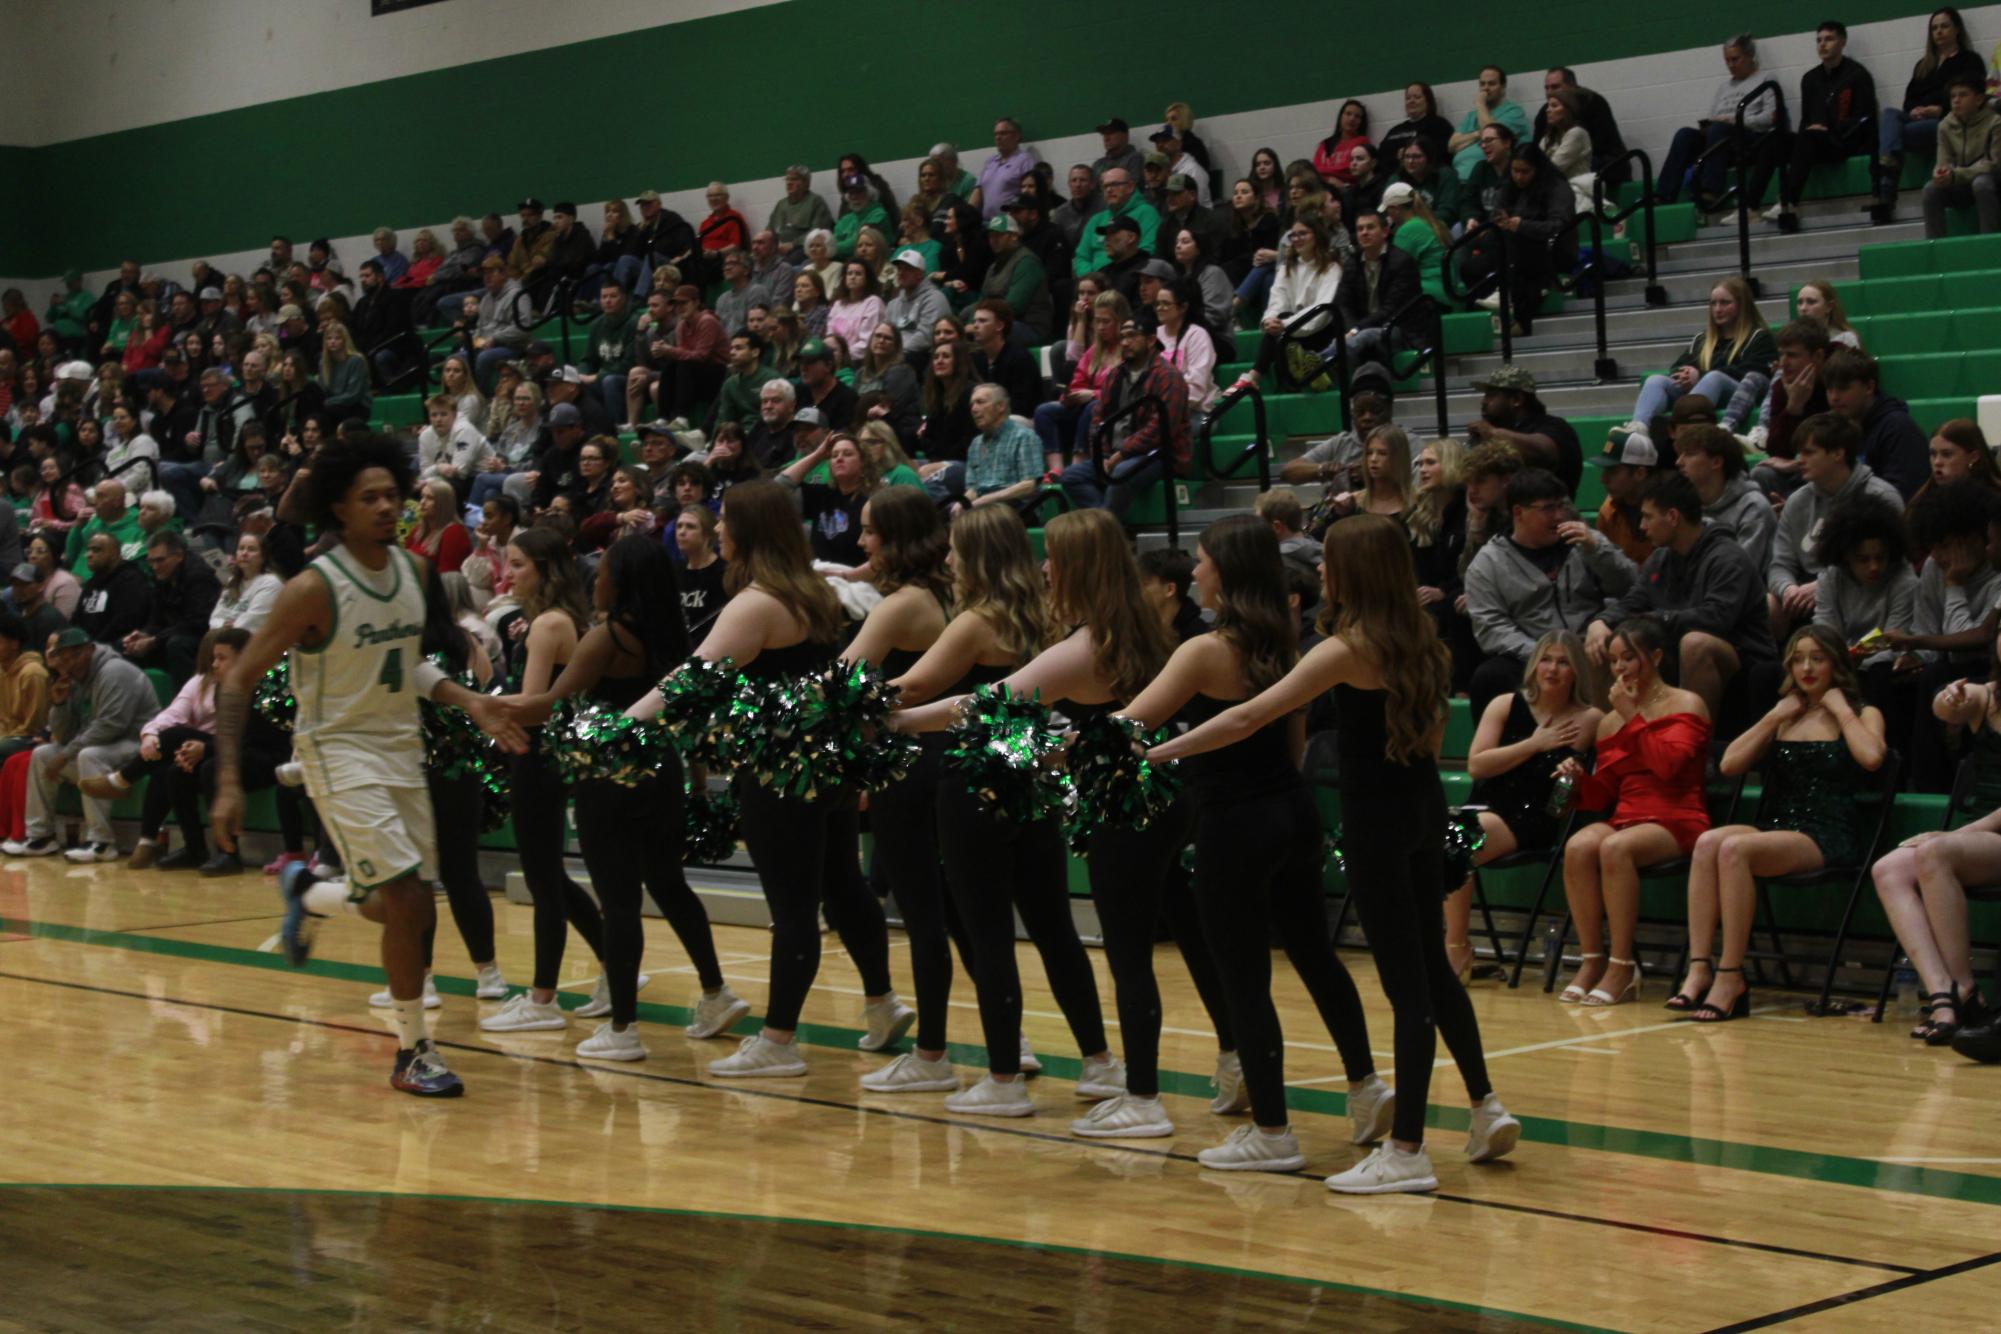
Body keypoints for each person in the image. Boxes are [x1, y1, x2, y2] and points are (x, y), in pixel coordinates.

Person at [1153, 514, 1518, 1188]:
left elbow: (1246, 717)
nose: (1319, 570)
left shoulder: (1344, 647)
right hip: (1422, 807)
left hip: (1376, 822)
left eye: (1330, 562)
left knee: (1405, 987)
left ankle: (1406, 1152)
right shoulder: (1422, 639)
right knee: (1430, 972)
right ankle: (1482, 1105)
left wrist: (1157, 749)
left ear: (1355, 572)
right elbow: (1427, 741)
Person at [209, 433, 515, 1096]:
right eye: (368, 497)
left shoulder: (413, 573)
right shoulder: (314, 588)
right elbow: (237, 683)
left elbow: (405, 662)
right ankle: (413, 1052)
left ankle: (309, 892)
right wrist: (229, 781)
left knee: (407, 906)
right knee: (406, 897)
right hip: (336, 749)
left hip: (400, 748)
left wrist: (471, 703)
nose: (385, 506)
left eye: (391, 495)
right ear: (338, 510)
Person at [626, 481, 909, 1076]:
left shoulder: (756, 603)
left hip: (780, 770)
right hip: (824, 763)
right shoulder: (814, 593)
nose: (719, 529)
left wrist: (619, 727)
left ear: (751, 530)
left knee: (794, 905)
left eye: (727, 520)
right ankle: (882, 1003)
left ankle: (778, 1042)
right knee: (842, 885)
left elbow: (690, 680)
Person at [502, 538, 742, 1059]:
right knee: (670, 885)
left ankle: (623, 1030)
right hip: (662, 771)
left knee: (620, 904)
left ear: (623, 579)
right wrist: (698, 783)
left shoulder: (606, 638)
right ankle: (716, 991)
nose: (595, 579)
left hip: (609, 776)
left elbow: (547, 705)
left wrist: (482, 707)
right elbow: (684, 712)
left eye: (604, 569)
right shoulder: (672, 636)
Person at [1674, 625, 1888, 1021]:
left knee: (1736, 849)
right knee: (1708, 843)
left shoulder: (1861, 713)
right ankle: (1699, 967)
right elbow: (1729, 764)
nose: (1806, 667)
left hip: (1826, 831)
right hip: (1777, 824)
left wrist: (1840, 710)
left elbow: (1872, 758)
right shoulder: (1787, 713)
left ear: (1836, 663)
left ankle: (1731, 976)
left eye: (1817, 658)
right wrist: (1773, 717)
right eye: (1798, 658)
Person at [1554, 616, 1711, 1008]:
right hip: (1627, 815)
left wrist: (1632, 717)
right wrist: (1576, 782)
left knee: (1615, 848)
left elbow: (1669, 767)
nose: (1620, 668)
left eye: (1629, 658)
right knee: (1578, 846)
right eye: (1613, 661)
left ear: (1655, 656)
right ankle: (1592, 959)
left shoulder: (1687, 702)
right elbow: (1603, 795)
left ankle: (1623, 965)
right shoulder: (1609, 722)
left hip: (1677, 815)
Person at [1873, 642, 2001, 1046]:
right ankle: (1943, 996)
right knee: (1888, 869)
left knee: (1934, 852)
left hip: (1984, 832)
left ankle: (1966, 992)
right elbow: (1950, 708)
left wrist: (1955, 835)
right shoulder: (1990, 694)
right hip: (1983, 836)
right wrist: (1947, 701)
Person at [1454, 632, 1603, 978]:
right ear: (1534, 665)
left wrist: (1574, 777)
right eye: (1546, 660)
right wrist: (1535, 744)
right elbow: (1477, 765)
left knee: (1452, 842)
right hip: (1486, 804)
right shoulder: (1505, 704)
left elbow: (1568, 798)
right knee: (1440, 837)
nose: (1552, 669)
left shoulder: (1590, 718)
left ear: (1577, 671)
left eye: (1563, 662)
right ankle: (1453, 948)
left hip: (1536, 815)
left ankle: (1455, 951)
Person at [1591, 472, 1776, 722]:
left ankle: (1693, 745)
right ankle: (1610, 745)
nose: (1642, 527)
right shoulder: (1660, 558)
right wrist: (1601, 622)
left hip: (1742, 658)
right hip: (1672, 651)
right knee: (1603, 643)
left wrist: (1658, 619)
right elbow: (1632, 602)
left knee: (1695, 643)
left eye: (1648, 517)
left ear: (1673, 517)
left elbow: (1717, 618)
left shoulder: (1728, 557)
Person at [85, 627, 264, 875]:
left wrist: (205, 748)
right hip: (212, 748)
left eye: (221, 658)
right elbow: (172, 714)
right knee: (175, 771)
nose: (214, 664)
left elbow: (248, 740)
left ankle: (228, 854)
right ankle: (192, 849)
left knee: (188, 748)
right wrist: (151, 735)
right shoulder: (209, 684)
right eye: (213, 657)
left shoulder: (259, 686)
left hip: (258, 753)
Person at [1464, 467, 1638, 715]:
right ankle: (1502, 751)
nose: (1558, 516)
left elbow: (1631, 586)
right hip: (1530, 651)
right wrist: (1545, 657)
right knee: (1489, 676)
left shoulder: (1584, 542)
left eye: (1560, 506)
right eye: (1547, 508)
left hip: (1590, 643)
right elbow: (1491, 627)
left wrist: (1596, 549)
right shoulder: (1487, 564)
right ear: (1518, 512)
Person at [4, 627, 158, 863]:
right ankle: (40, 836)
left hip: (138, 743)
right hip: (103, 746)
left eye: (73, 657)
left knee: (89, 755)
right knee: (42, 754)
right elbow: (65, 734)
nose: (68, 665)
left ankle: (102, 842)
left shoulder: (114, 671)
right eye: (62, 659)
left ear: (88, 650)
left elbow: (111, 725)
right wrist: (59, 704)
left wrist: (66, 756)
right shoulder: (75, 678)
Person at [1768, 412, 1907, 640]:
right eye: (1799, 452)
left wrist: (1820, 587)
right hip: (1802, 598)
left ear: (1838, 454)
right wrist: (1788, 590)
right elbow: (1779, 564)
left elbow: (1892, 563)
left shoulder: (1881, 497)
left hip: (1857, 591)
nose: (1799, 459)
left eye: (1809, 452)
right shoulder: (1797, 501)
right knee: (1769, 604)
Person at [1058, 309, 1189, 520]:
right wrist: (1101, 456)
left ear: (1151, 340)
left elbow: (1160, 428)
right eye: (1122, 337)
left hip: (1158, 454)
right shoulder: (1115, 375)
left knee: (1121, 473)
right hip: (1114, 454)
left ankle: (1106, 533)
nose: (1125, 342)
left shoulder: (1169, 376)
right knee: (1071, 476)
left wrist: (1122, 454)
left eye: (1132, 336)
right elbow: (1098, 419)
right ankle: (1111, 527)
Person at [1765, 21, 1878, 235]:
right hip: (1815, 140)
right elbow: (1806, 118)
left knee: (1809, 137)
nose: (1823, 45)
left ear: (1842, 42)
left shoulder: (1857, 75)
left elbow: (1864, 118)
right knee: (1776, 139)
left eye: (1829, 39)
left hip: (1844, 140)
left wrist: (1829, 129)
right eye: (1819, 40)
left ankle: (1788, 201)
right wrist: (1812, 130)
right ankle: (1750, 206)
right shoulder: (1810, 79)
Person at [1626, 280, 1774, 437]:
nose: (1717, 309)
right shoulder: (1702, 339)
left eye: (1725, 303)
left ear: (1742, 305)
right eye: (1713, 304)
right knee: (1655, 380)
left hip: (1739, 395)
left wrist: (1700, 376)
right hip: (1702, 391)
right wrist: (1685, 375)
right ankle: (1638, 430)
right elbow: (1677, 367)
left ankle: (1681, 429)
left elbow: (1754, 375)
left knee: (1714, 378)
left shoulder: (1759, 337)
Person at [1655, 33, 1781, 205]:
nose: (1731, 65)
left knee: (1719, 129)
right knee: (1684, 135)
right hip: (1720, 137)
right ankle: (1664, 194)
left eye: (1735, 59)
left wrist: (1736, 121)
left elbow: (1770, 118)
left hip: (1749, 137)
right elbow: (1714, 115)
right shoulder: (1724, 87)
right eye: (1727, 60)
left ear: (1749, 57)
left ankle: (1712, 189)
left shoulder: (1766, 79)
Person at [1231, 214, 1343, 393]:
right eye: (1294, 235)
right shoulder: (1287, 267)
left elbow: (1321, 311)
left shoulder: (1331, 267)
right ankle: (1303, 375)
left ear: (1316, 235)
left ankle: (1255, 376)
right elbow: (1277, 299)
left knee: (1281, 334)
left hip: (1320, 332)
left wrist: (1284, 324)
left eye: (1303, 234)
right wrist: (1269, 319)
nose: (1297, 239)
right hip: (1289, 331)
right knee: (1281, 334)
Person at [1824, 349, 1928, 500]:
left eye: (1843, 388)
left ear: (1869, 387)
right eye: (1829, 389)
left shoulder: (1898, 428)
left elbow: (1900, 494)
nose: (1834, 397)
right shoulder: (1831, 427)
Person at [1465, 366, 1582, 497]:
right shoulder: (1503, 431)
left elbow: (1542, 452)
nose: (1484, 402)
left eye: (1491, 395)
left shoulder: (1555, 427)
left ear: (1516, 400)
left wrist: (1492, 433)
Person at [926, 383, 1043, 513]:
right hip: (983, 509)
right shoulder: (976, 444)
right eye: (972, 405)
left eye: (980, 402)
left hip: (1017, 510)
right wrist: (961, 504)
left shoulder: (1024, 436)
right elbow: (973, 489)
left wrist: (987, 499)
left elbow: (1029, 486)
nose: (973, 409)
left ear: (1001, 406)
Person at [1334, 209, 1426, 377]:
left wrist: (1356, 329)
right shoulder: (1352, 263)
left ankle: (1319, 365)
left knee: (1365, 336)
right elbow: (1342, 303)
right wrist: (1351, 327)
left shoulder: (1402, 262)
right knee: (1352, 338)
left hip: (1400, 329)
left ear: (1385, 232)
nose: (1364, 233)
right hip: (1364, 327)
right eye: (1360, 229)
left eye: (1370, 227)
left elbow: (1390, 309)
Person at [1676, 425, 1777, 570]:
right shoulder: (1686, 505)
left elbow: (1738, 573)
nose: (1679, 462)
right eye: (1680, 455)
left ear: (1716, 462)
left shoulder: (1753, 507)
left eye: (1690, 454)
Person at [1920, 77, 2001, 238]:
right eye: (1953, 96)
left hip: (1992, 182)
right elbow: (1943, 161)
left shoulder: (1995, 122)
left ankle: (1990, 243)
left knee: (1981, 183)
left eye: (1963, 95)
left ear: (1978, 100)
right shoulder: (1944, 126)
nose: (1956, 100)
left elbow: (1994, 164)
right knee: (1930, 189)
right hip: (1961, 183)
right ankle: (1935, 247)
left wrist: (1956, 175)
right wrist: (1940, 173)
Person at [1449, 66, 1532, 181]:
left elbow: (1491, 131)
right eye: (1482, 84)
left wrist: (1480, 104)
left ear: (1503, 87)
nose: (1485, 88)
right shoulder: (1471, 115)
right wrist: (1477, 134)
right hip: (1458, 179)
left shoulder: (1513, 112)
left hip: (1488, 179)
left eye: (1491, 84)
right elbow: (1452, 145)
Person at [0, 610, 51, 761]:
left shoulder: (32, 673)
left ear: (14, 644)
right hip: (6, 734)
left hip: (28, 737)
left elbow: (35, 724)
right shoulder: (2, 671)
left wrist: (4, 736)